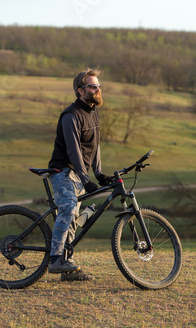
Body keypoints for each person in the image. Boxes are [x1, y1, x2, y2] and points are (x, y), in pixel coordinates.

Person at [47, 68, 112, 281]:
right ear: (80, 90)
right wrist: (86, 179)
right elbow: (74, 150)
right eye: (93, 86)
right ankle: (56, 259)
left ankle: (68, 268)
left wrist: (99, 173)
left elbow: (95, 146)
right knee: (67, 209)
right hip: (63, 172)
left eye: (98, 85)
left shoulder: (93, 112)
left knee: (74, 218)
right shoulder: (71, 115)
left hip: (79, 174)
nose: (98, 89)